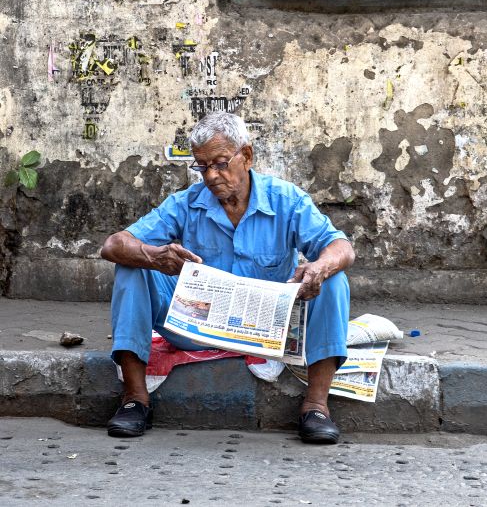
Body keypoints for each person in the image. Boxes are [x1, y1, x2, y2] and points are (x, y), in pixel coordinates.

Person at [100, 112, 354, 444]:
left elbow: (342, 247)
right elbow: (113, 244)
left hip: (269, 328)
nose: (211, 176)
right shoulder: (186, 204)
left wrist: (320, 267)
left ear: (246, 156)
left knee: (334, 279)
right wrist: (154, 256)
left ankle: (316, 407)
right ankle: (134, 400)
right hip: (197, 323)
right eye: (202, 167)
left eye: (220, 163)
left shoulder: (286, 200)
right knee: (132, 266)